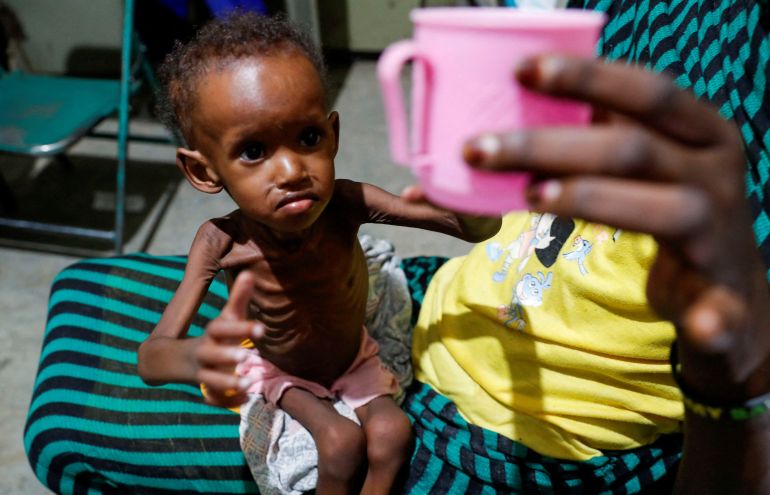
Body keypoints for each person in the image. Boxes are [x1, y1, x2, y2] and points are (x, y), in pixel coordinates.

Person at [406, 0, 770, 493]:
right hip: (450, 306)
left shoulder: (737, 58)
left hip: (542, 438)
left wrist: (726, 384)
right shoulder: (596, 23)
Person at [135, 12, 500, 495]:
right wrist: (198, 356)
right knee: (340, 441)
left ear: (333, 135)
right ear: (204, 172)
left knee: (393, 433)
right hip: (281, 368)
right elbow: (151, 358)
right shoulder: (220, 240)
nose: (290, 170)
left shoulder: (349, 203)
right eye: (253, 151)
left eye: (308, 138)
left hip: (352, 355)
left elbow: (475, 229)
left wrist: (465, 195)